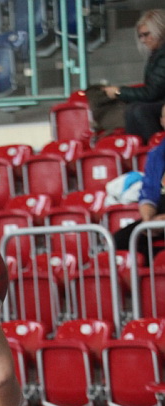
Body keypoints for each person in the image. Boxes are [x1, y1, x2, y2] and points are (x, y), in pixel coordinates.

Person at [97, 9, 165, 143]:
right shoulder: (157, 55)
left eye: (146, 34)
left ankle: (156, 146)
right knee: (133, 109)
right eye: (141, 36)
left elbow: (152, 93)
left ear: (160, 31)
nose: (143, 40)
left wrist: (119, 92)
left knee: (139, 110)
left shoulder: (161, 56)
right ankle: (139, 150)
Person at [114, 103, 165, 259]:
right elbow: (149, 191)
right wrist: (148, 220)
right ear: (162, 121)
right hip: (159, 213)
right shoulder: (157, 154)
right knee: (119, 241)